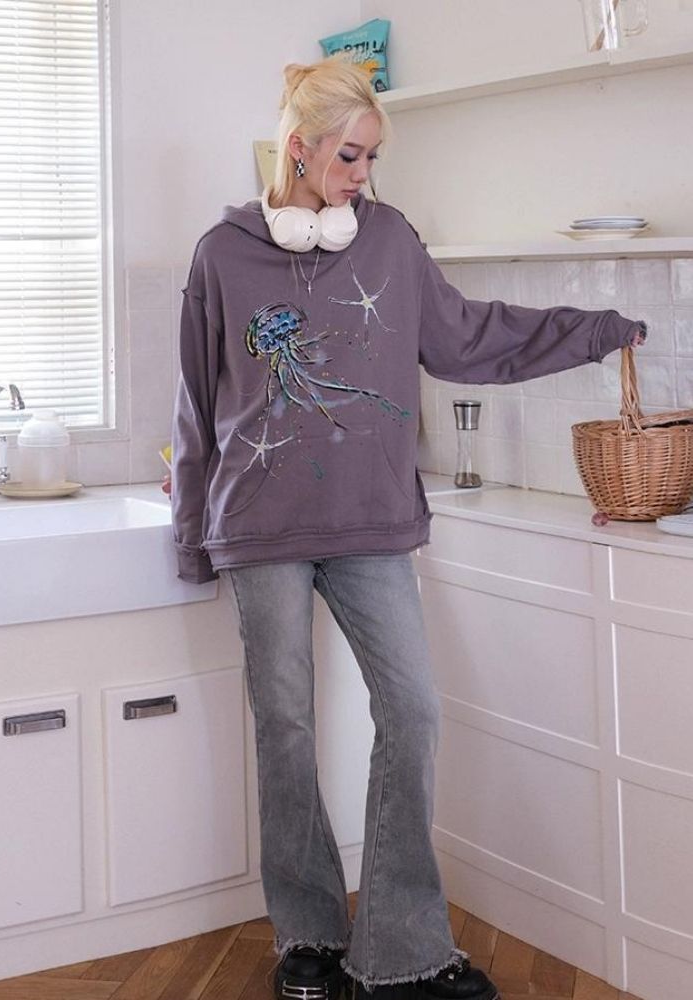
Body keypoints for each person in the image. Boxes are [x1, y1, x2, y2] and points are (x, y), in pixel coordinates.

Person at [169, 57, 646, 1000]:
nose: (363, 175)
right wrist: (190, 533)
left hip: (373, 521)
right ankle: (307, 935)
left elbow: (465, 335)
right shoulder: (220, 254)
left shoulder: (389, 239)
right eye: (348, 156)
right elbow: (193, 400)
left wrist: (593, 330)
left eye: (373, 157)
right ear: (297, 148)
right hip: (259, 525)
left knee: (414, 711)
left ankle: (399, 946)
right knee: (286, 726)